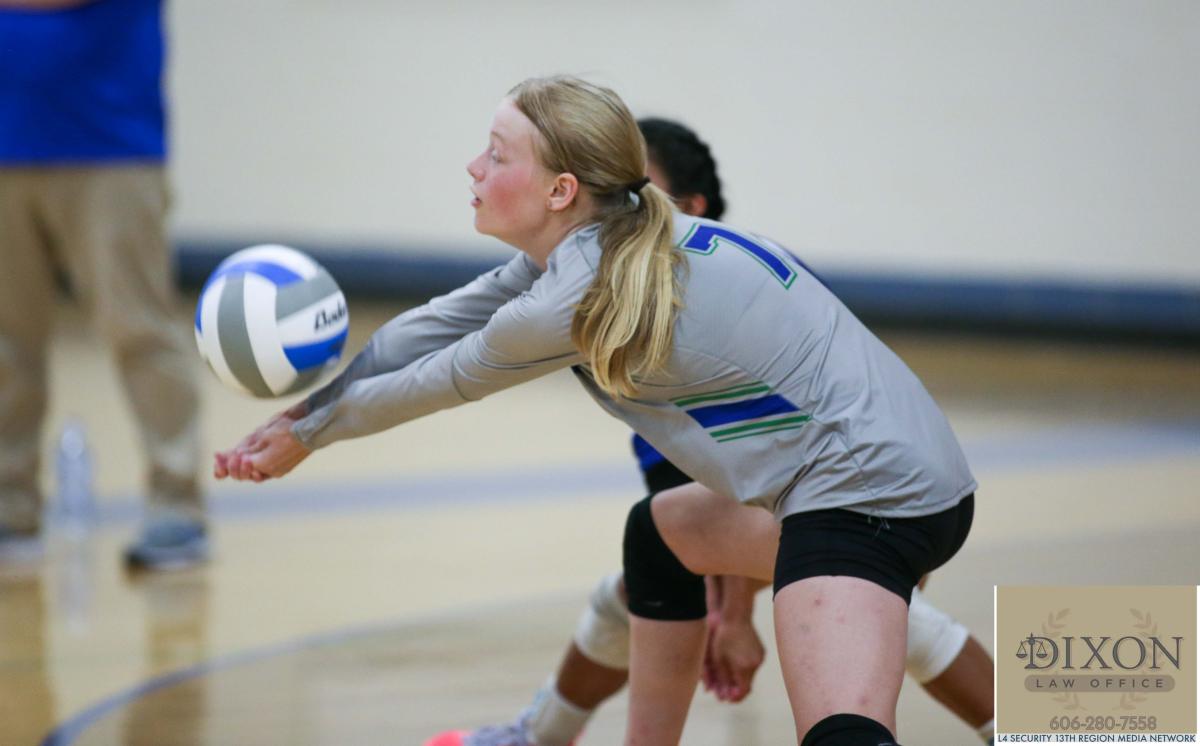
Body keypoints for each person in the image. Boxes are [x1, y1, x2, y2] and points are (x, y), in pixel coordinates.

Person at [216, 76, 977, 745]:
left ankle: (1054, 725)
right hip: (902, 473)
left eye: (496, 154)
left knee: (845, 731)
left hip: (868, 495)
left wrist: (305, 437)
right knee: (660, 537)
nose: (474, 167)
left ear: (561, 190)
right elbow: (430, 329)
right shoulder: (610, 238)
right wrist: (306, 414)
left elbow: (441, 380)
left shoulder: (580, 295)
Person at [423, 118, 995, 746]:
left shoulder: (725, 310)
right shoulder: (623, 307)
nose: (606, 209)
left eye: (632, 192)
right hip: (838, 504)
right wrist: (727, 612)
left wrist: (736, 617)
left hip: (869, 504)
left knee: (885, 619)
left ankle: (1055, 727)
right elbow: (706, 499)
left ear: (688, 208)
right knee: (641, 571)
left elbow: (791, 466)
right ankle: (538, 735)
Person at [0, 0, 207, 569]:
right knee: (6, 343)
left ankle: (176, 502)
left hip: (110, 142)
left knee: (139, 331)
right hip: (7, 139)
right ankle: (9, 503)